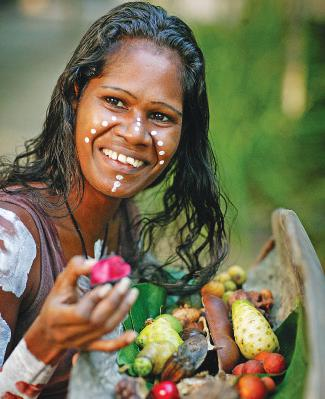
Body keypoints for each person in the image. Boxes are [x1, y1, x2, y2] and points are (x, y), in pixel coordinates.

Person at [0, 1, 228, 397]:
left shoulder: (122, 217)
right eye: (115, 102)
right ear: (76, 94)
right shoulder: (11, 244)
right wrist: (44, 342)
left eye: (160, 116)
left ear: (182, 132)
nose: (136, 133)